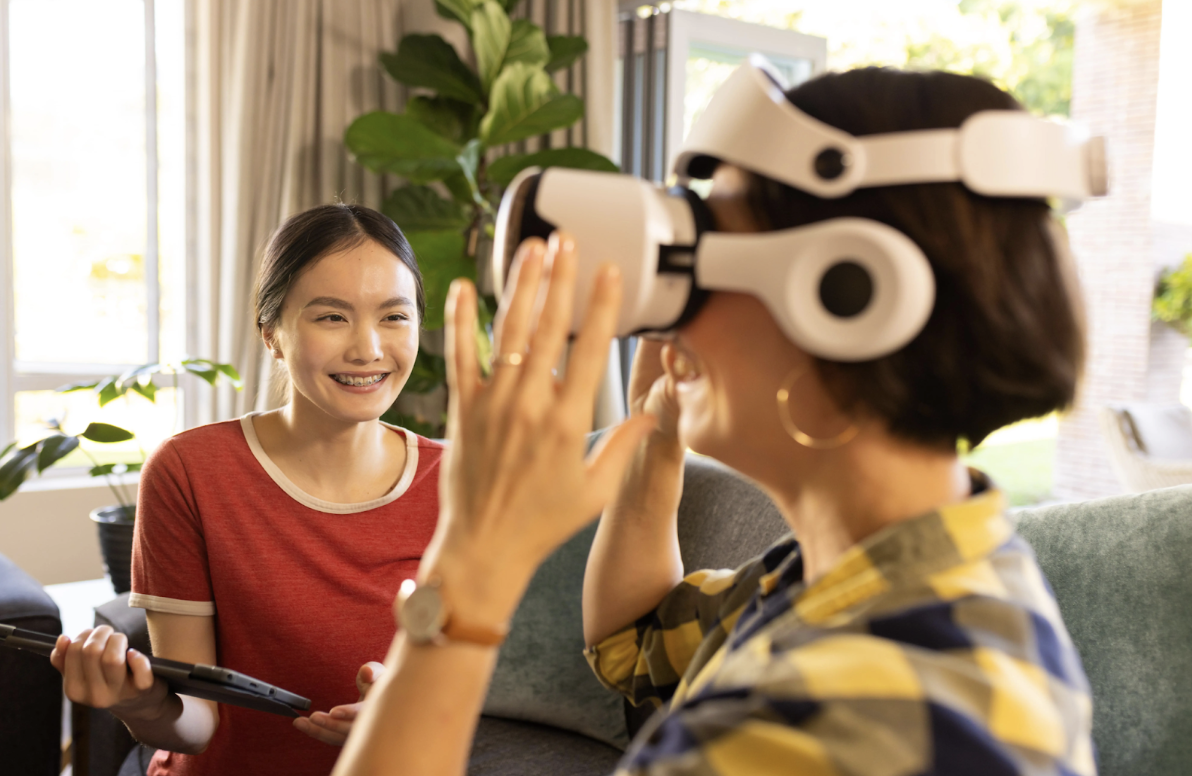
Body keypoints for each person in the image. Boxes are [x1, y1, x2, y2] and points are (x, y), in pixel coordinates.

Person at [331, 65, 1095, 776]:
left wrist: (472, 567)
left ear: (849, 297)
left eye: (702, 250)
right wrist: (652, 443)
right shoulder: (883, 569)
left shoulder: (840, 719)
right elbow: (634, 645)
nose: (664, 313)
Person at [49, 204, 443, 776]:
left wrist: (410, 714)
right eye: (332, 317)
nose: (368, 349)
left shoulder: (457, 482)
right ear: (273, 336)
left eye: (394, 317)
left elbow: (480, 696)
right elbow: (198, 724)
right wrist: (141, 704)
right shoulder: (190, 472)